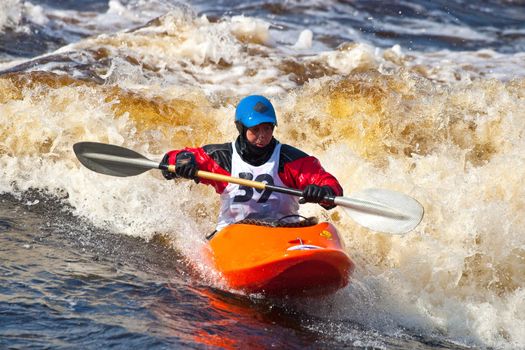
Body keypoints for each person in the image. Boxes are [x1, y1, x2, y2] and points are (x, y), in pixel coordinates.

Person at [161, 95, 343, 232]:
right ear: (241, 128)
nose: (262, 135)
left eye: (267, 128)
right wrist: (184, 162)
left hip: (285, 233)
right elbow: (171, 160)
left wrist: (323, 192)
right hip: (233, 234)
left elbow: (329, 185)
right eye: (255, 129)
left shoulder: (291, 160)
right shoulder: (222, 158)